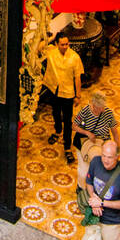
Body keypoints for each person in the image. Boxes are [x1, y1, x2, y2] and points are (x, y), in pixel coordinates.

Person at [42, 32, 83, 163]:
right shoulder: (51, 52)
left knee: (67, 119)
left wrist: (78, 95)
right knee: (55, 113)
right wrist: (47, 37)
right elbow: (38, 47)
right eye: (62, 44)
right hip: (53, 89)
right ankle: (57, 131)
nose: (65, 46)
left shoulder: (74, 57)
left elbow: (77, 77)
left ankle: (67, 147)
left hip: (68, 93)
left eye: (67, 44)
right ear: (56, 44)